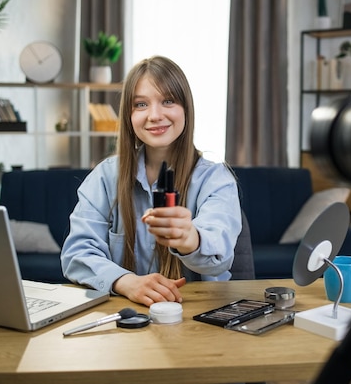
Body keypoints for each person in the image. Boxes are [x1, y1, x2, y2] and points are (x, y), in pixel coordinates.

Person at [61, 56, 242, 307]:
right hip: (125, 314)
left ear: (185, 109)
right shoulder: (104, 177)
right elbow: (77, 255)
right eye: (141, 104)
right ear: (129, 115)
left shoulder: (216, 179)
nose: (155, 115)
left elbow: (220, 253)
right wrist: (126, 282)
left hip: (197, 314)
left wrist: (189, 238)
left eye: (168, 101)